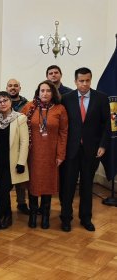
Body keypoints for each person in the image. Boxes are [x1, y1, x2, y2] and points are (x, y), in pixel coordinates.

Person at [60, 67, 111, 232]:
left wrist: (103, 145)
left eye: (87, 80)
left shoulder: (101, 98)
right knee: (68, 186)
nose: (84, 84)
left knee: (87, 186)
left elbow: (106, 125)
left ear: (91, 80)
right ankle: (66, 218)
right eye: (81, 81)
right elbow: (63, 125)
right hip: (71, 150)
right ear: (75, 81)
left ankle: (86, 218)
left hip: (92, 150)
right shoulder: (66, 99)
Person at [22, 80, 68, 229]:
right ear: (38, 92)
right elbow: (19, 126)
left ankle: (46, 217)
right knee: (33, 184)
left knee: (48, 184)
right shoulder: (30, 107)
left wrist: (60, 154)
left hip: (51, 155)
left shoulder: (60, 109)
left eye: (48, 91)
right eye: (42, 90)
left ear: (53, 93)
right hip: (32, 154)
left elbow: (63, 133)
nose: (45, 93)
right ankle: (33, 215)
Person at [0, 91, 29, 232]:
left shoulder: (20, 118)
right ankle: (7, 216)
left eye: (5, 100)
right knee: (2, 190)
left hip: (12, 162)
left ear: (10, 102)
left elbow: (24, 142)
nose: (2, 103)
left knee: (4, 190)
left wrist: (21, 162)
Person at [6, 78, 30, 215]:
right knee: (6, 179)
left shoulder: (26, 105)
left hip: (20, 145)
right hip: (6, 145)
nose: (13, 88)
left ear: (20, 88)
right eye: (10, 86)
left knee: (20, 177)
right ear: (6, 88)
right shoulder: (0, 103)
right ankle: (5, 204)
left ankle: (21, 203)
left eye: (16, 86)